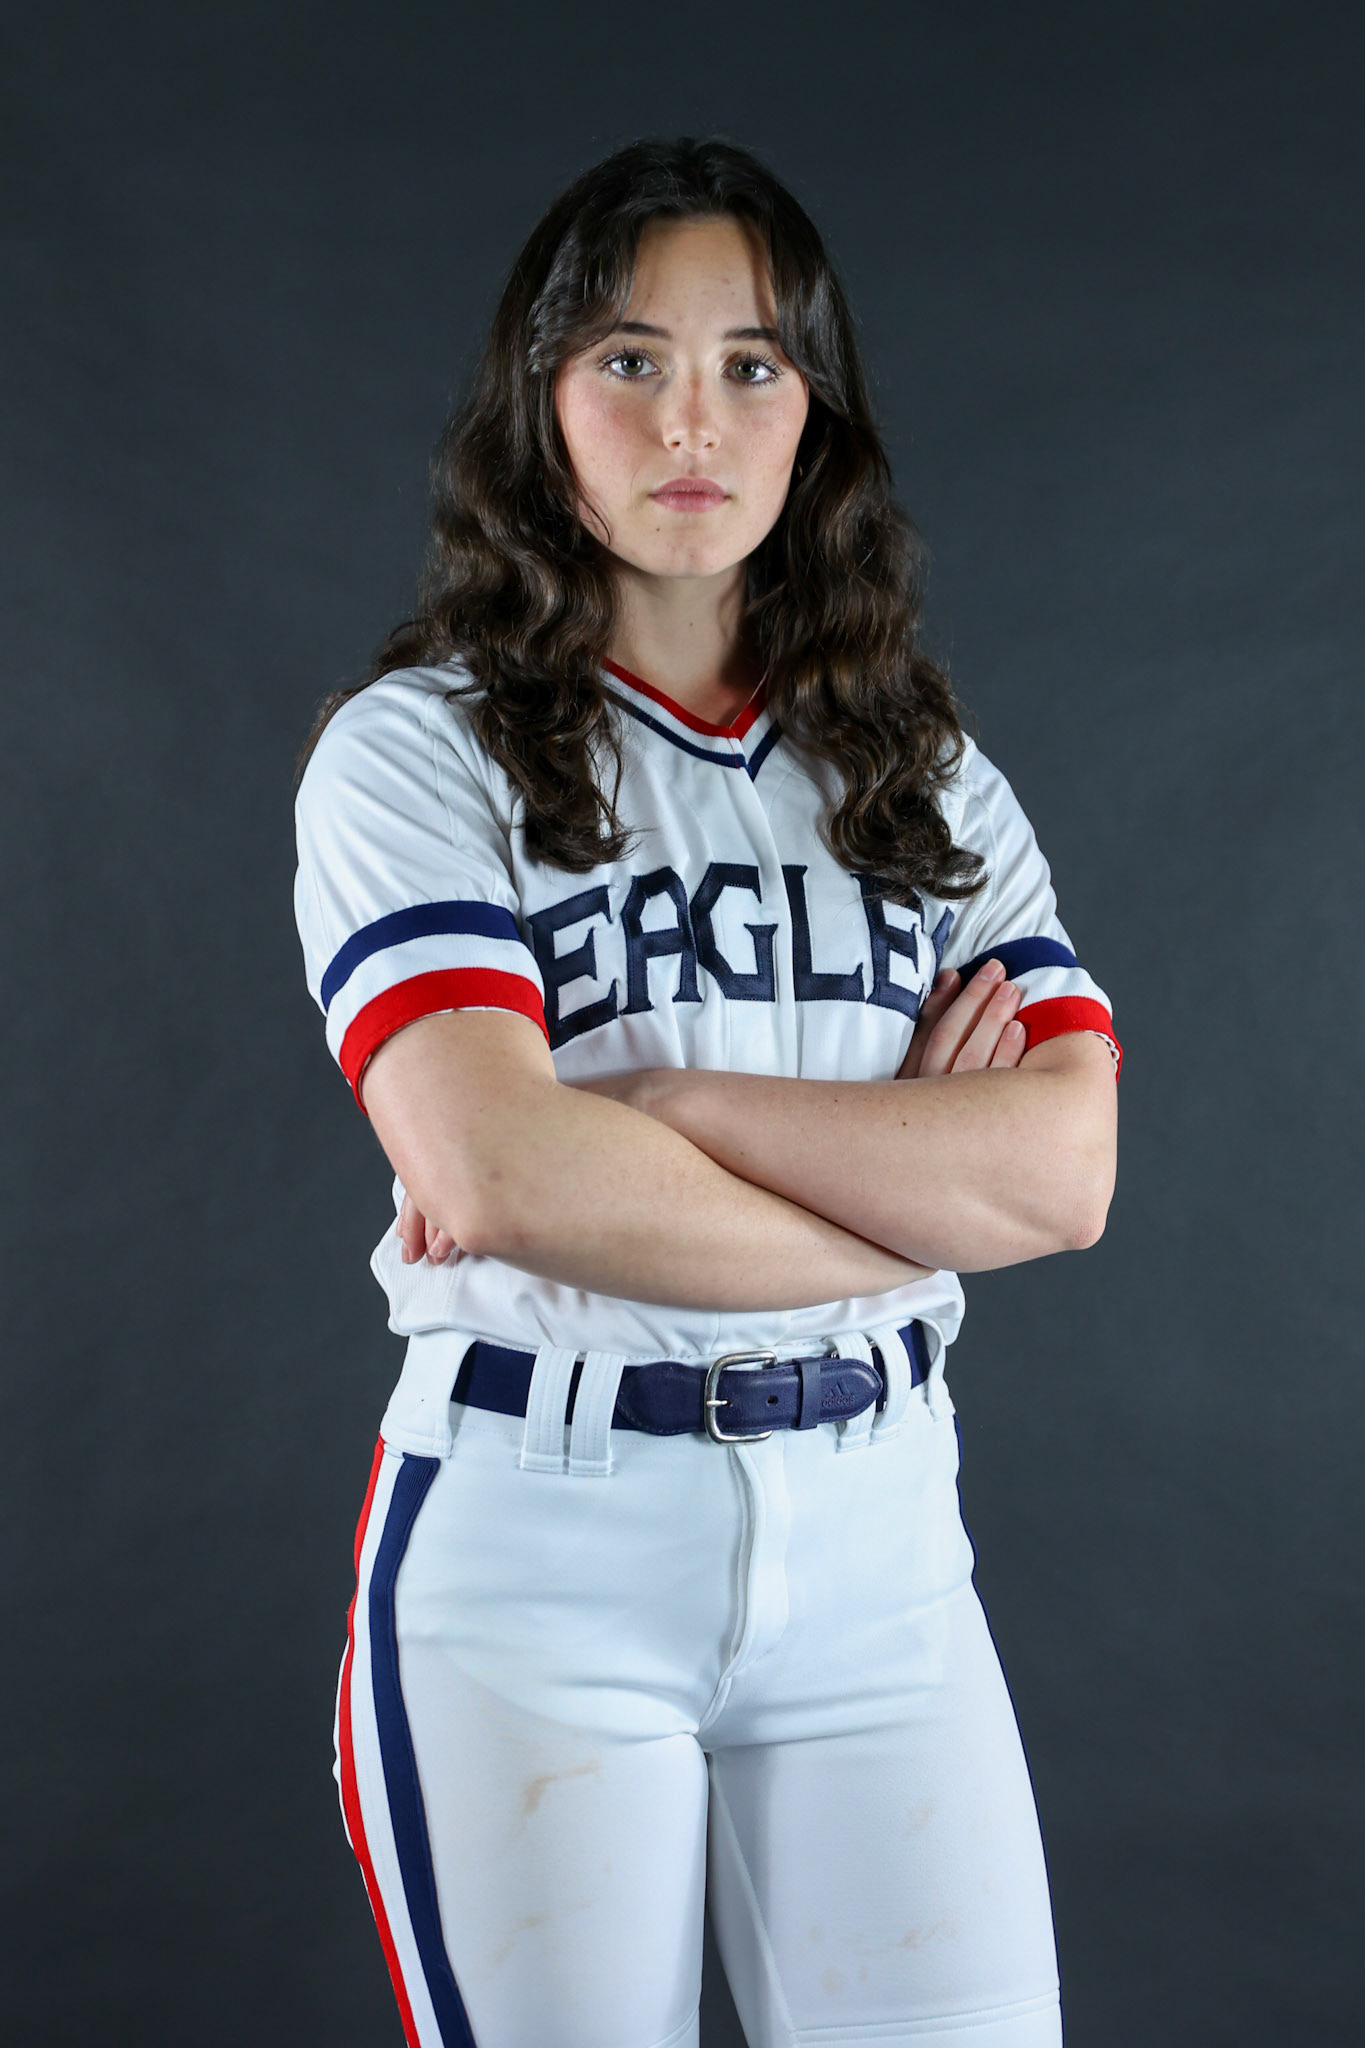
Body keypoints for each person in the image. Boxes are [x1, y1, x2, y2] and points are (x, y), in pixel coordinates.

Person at [293, 136, 1120, 2048]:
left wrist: (667, 1111)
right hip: (537, 1551)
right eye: (629, 359)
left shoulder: (923, 775)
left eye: (754, 362)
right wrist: (906, 1199)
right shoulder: (415, 753)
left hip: (887, 1554)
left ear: (813, 414)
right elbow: (497, 1173)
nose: (694, 417)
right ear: (540, 403)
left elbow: (1062, 1171)